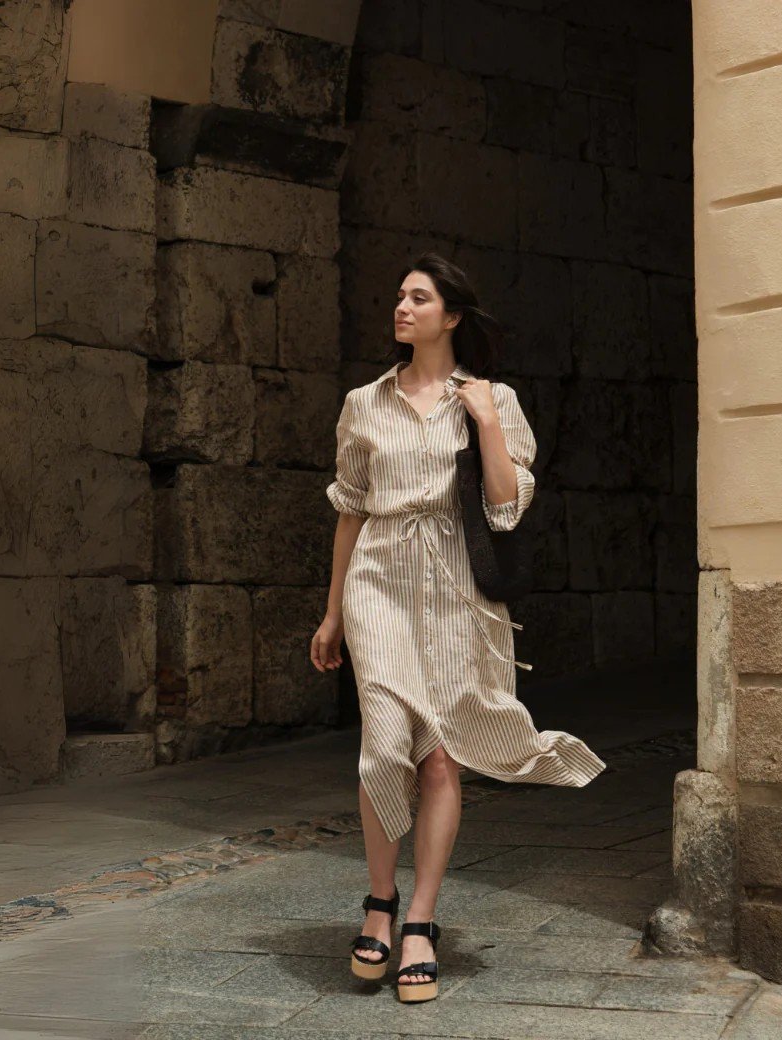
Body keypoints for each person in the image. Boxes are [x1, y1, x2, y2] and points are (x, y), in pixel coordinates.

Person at [310, 252, 607, 1003]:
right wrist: (333, 609)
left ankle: (419, 920)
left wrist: (484, 421)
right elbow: (351, 509)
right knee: (384, 747)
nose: (401, 308)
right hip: (379, 577)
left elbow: (507, 507)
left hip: (454, 591)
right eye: (399, 296)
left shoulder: (492, 398)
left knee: (440, 761)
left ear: (451, 315)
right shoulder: (362, 403)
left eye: (418, 297)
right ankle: (377, 903)